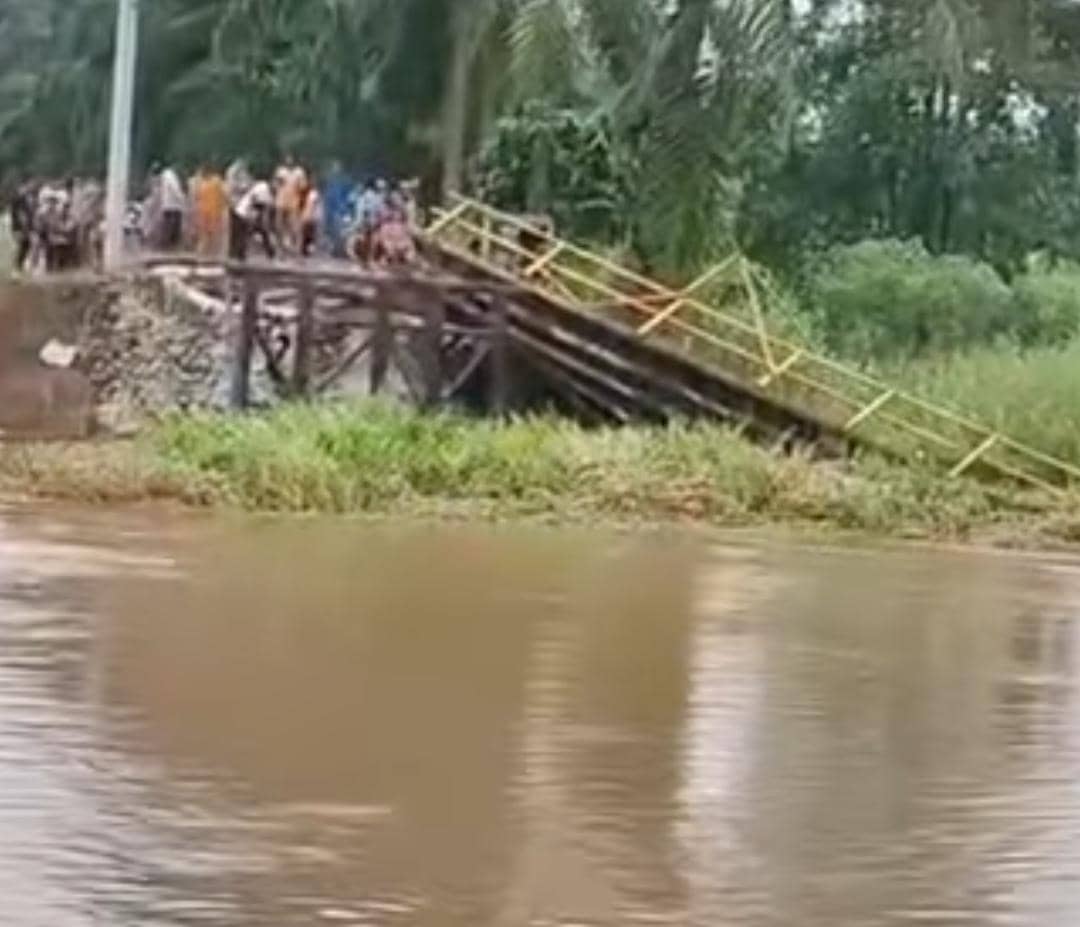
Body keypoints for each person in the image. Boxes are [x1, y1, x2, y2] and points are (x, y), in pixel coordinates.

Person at [232, 178, 276, 262]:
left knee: (259, 232)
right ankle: (240, 255)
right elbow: (257, 202)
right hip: (244, 213)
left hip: (245, 212)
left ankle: (270, 253)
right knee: (247, 234)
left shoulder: (264, 189)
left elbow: (261, 204)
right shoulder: (263, 188)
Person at [193, 164, 229, 258]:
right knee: (212, 237)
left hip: (207, 212)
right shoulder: (216, 181)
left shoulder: (203, 183)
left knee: (205, 237)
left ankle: (202, 256)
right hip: (212, 213)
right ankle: (211, 256)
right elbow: (225, 196)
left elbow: (196, 197)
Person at [273, 154, 307, 253]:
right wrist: (278, 183)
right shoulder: (280, 171)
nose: (289, 161)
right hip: (280, 201)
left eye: (291, 159)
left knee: (294, 227)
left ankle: (297, 249)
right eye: (287, 159)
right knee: (279, 226)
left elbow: (303, 187)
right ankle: (279, 250)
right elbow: (274, 185)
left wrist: (299, 184)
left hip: (293, 202)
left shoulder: (299, 172)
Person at [8, 181, 37, 275]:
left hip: (25, 227)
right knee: (21, 247)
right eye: (29, 185)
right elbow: (20, 214)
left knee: (26, 246)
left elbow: (29, 213)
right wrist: (24, 227)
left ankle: (20, 267)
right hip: (19, 227)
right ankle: (16, 269)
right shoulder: (18, 198)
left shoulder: (27, 197)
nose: (31, 187)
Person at [157, 162, 186, 251]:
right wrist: (183, 198)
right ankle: (171, 246)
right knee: (173, 227)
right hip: (173, 205)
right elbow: (175, 189)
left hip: (168, 204)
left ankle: (166, 245)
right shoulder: (170, 176)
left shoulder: (165, 175)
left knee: (167, 225)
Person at [299, 181, 323, 258]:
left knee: (308, 234)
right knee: (309, 234)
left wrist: (307, 216)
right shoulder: (313, 194)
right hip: (313, 217)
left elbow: (312, 205)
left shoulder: (313, 194)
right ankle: (307, 251)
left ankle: (306, 251)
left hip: (311, 217)